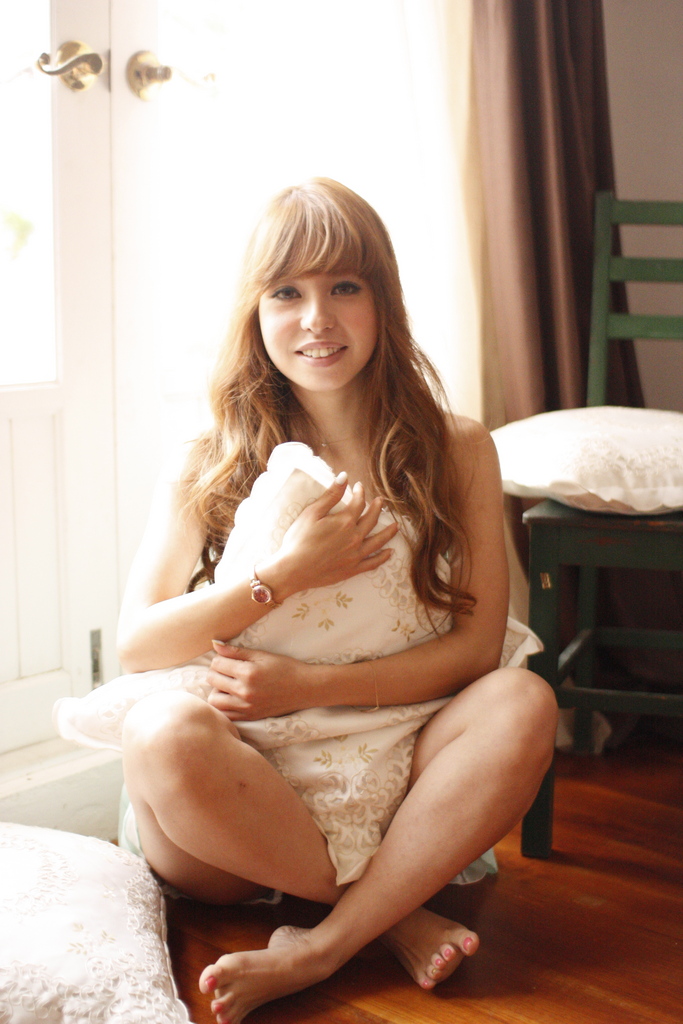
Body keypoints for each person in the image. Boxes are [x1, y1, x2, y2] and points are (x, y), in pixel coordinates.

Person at [117, 178, 558, 1024]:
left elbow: (474, 652)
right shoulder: (208, 458)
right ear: (255, 313)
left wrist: (307, 686)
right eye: (287, 293)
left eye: (344, 287)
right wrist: (282, 576)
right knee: (158, 731)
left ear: (383, 302)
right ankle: (387, 915)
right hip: (235, 812)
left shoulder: (458, 448)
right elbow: (138, 644)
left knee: (522, 699)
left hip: (396, 773)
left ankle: (322, 944)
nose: (316, 318)